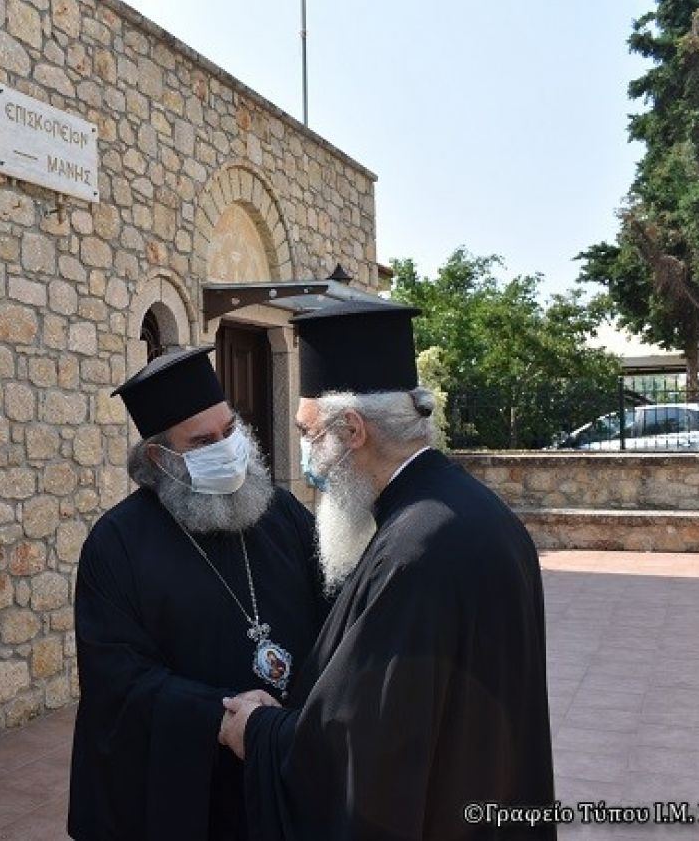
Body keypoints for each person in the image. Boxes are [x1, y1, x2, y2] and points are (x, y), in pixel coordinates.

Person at [219, 300, 556, 840]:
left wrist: (258, 730)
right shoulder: (468, 510)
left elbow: (366, 745)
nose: (305, 455)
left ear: (352, 430)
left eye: (308, 434)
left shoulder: (416, 546)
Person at [68, 346, 329, 841]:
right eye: (203, 441)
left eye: (230, 430)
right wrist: (222, 715)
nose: (226, 448)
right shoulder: (117, 543)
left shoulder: (282, 513)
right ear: (158, 458)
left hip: (286, 760)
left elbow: (337, 608)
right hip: (187, 786)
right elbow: (117, 678)